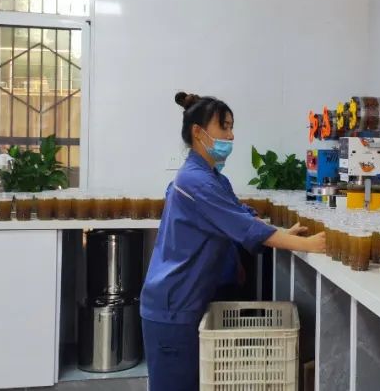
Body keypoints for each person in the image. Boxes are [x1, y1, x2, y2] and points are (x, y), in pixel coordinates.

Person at [139, 91, 327, 391]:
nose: (231, 135)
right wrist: (309, 245)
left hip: (188, 300)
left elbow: (241, 216)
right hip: (172, 304)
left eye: (231, 127)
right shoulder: (195, 181)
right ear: (198, 132)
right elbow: (245, 228)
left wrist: (286, 235)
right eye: (224, 127)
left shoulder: (213, 178)